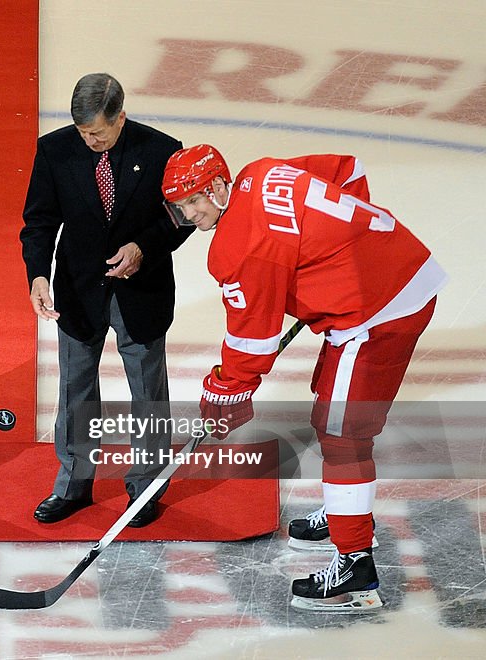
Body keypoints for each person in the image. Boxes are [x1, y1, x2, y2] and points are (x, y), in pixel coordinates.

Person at [162, 144, 446, 612]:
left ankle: (356, 567)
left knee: (342, 434)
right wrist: (343, 247)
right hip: (398, 266)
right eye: (180, 206)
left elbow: (251, 342)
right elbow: (348, 171)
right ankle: (345, 514)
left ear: (216, 187)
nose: (189, 213)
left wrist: (223, 393)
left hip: (379, 314)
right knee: (327, 404)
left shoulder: (236, 248)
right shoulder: (262, 172)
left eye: (194, 200)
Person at [19, 73, 193, 526]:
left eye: (98, 131)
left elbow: (183, 214)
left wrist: (143, 248)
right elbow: (38, 221)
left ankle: (146, 487)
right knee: (74, 389)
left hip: (142, 291)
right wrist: (38, 274)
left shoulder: (161, 149)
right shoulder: (55, 150)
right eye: (83, 132)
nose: (90, 140)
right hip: (78, 290)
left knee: (147, 394)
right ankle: (74, 484)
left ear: (120, 117)